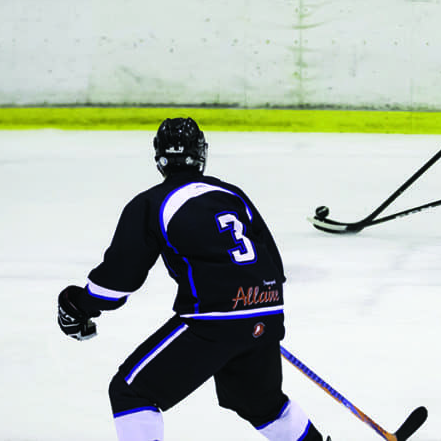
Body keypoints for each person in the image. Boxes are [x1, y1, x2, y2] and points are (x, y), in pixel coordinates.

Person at [55, 118, 331, 441]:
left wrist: (79, 304)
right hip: (266, 309)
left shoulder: (151, 203)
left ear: (159, 158)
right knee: (262, 405)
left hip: (213, 321)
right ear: (201, 154)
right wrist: (256, 318)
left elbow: (118, 282)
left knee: (131, 393)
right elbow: (274, 264)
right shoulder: (231, 194)